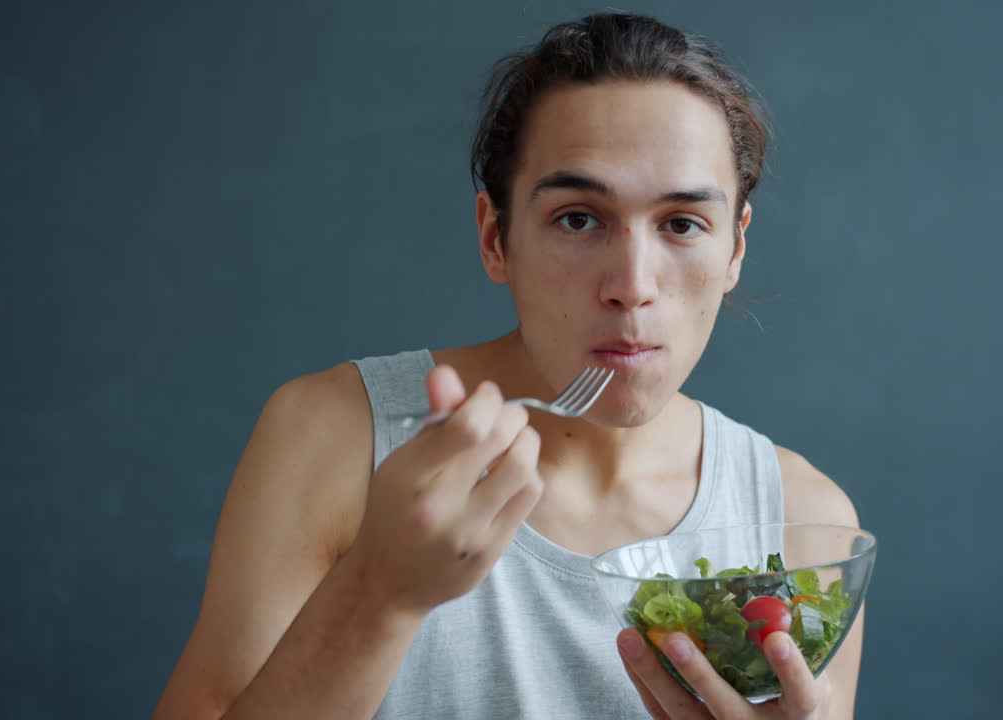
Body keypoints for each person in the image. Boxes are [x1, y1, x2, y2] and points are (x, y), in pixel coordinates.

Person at [153, 12, 862, 720]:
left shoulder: (801, 529)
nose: (632, 284)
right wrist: (381, 594)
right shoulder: (333, 437)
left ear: (735, 249)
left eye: (682, 224)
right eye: (578, 219)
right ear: (497, 238)